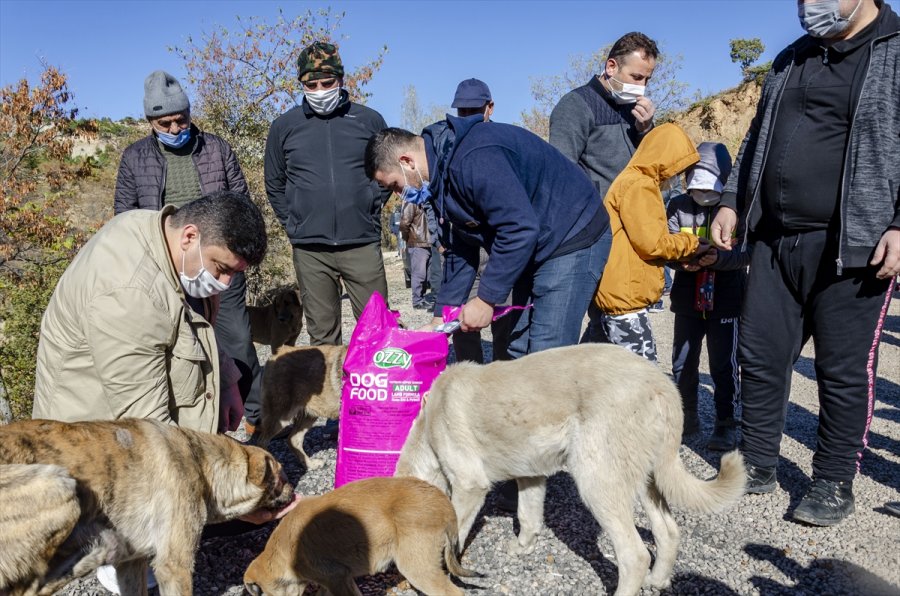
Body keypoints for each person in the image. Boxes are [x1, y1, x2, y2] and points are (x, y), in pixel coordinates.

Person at [709, 0, 900, 526]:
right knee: (761, 355)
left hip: (853, 245)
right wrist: (731, 200)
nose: (807, 4)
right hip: (773, 239)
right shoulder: (791, 59)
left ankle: (834, 482)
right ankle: (758, 463)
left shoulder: (895, 50)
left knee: (840, 369)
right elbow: (753, 141)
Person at [365, 117, 611, 361]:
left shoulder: (473, 158)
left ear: (407, 162)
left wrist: (485, 300)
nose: (400, 196)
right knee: (517, 347)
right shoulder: (441, 182)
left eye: (395, 186)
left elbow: (518, 229)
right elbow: (461, 249)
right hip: (537, 241)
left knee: (546, 354)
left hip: (572, 234)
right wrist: (440, 318)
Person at [113, 70, 264, 437]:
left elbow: (241, 202)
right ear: (151, 121)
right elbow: (124, 216)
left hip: (220, 265)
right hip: (166, 269)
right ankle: (198, 427)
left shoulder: (217, 148)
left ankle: (257, 416)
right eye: (166, 122)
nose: (176, 127)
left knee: (237, 341)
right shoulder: (134, 159)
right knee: (182, 348)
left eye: (182, 118)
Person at [265, 41, 390, 346]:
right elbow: (275, 182)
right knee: (322, 338)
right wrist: (294, 222)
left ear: (341, 80)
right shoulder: (284, 126)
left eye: (327, 82)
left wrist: (369, 205)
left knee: (378, 330)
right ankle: (331, 395)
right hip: (311, 250)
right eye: (311, 84)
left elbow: (387, 173)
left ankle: (375, 393)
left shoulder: (369, 120)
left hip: (361, 243)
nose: (320, 90)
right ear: (302, 84)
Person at [548, 31, 659, 338]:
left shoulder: (633, 110)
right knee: (601, 318)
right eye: (636, 76)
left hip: (629, 231)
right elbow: (560, 174)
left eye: (647, 79)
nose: (641, 86)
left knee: (613, 318)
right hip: (592, 233)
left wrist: (645, 130)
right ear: (611, 67)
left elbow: (647, 166)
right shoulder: (575, 106)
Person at [587, 123, 712, 363]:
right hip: (627, 299)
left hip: (617, 294)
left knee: (604, 377)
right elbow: (652, 243)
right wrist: (693, 243)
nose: (676, 176)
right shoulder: (640, 185)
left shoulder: (629, 180)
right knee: (645, 382)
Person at [666, 142, 746, 450]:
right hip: (687, 297)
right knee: (682, 361)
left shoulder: (735, 209)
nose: (703, 194)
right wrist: (680, 261)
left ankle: (726, 422)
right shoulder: (678, 206)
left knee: (722, 363)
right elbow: (666, 246)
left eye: (710, 187)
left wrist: (721, 261)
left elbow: (747, 253)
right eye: (697, 187)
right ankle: (686, 416)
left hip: (726, 298)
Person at [445, 78, 509, 363]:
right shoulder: (450, 147)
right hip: (467, 250)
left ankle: (505, 379)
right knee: (463, 321)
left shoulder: (505, 142)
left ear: (490, 108)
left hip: (500, 250)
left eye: (474, 110)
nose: (467, 117)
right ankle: (469, 378)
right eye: (462, 111)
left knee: (506, 321)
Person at [399, 200, 432, 310]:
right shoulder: (412, 201)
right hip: (418, 242)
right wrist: (408, 238)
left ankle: (421, 298)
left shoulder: (426, 200)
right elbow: (404, 223)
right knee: (419, 274)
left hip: (428, 242)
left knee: (426, 274)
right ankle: (417, 301)